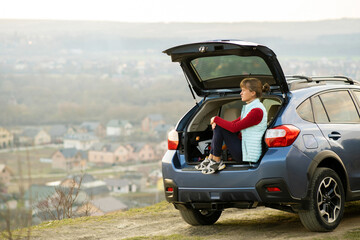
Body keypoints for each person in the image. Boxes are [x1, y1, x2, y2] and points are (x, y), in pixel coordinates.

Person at [195, 77, 270, 174]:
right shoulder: (250, 108)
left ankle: (216, 160)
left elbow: (234, 128)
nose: (240, 93)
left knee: (220, 127)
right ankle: (212, 158)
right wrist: (217, 122)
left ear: (253, 93)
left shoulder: (257, 111)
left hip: (248, 155)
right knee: (220, 126)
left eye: (243, 90)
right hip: (243, 150)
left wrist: (216, 119)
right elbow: (233, 124)